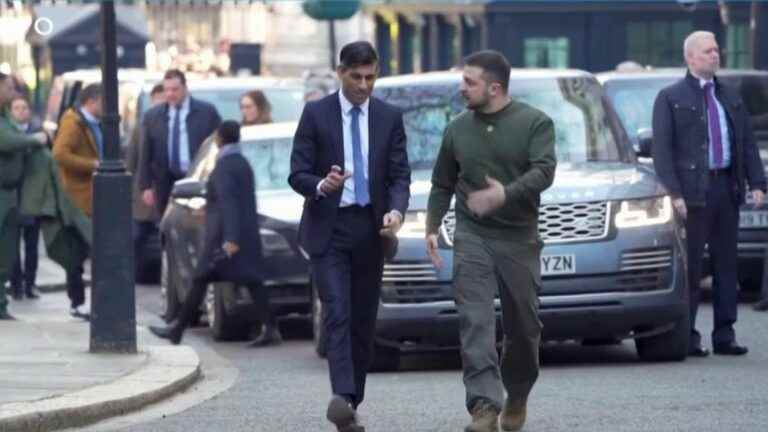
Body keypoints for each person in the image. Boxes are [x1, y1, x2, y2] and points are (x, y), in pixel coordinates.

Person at [426, 50, 555, 432]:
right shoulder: (457, 128)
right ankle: (483, 406)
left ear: (494, 88)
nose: (461, 88)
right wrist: (432, 226)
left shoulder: (535, 123)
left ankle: (517, 393)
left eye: (470, 82)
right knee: (475, 320)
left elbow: (544, 171)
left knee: (524, 327)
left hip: (518, 237)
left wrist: (506, 194)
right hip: (473, 235)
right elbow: (442, 183)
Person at [289, 41, 411, 432]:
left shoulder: (389, 116)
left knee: (362, 319)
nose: (364, 85)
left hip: (371, 229)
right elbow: (297, 172)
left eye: (370, 77)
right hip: (330, 228)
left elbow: (398, 175)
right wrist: (323, 184)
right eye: (356, 77)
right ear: (340, 73)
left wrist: (396, 210)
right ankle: (341, 395)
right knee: (337, 311)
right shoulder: (316, 114)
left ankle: (351, 400)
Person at [652, 31, 766, 356]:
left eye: (716, 50)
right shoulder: (670, 97)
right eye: (707, 51)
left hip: (725, 188)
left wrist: (757, 183)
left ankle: (725, 334)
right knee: (690, 268)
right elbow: (663, 151)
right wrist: (674, 193)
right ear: (690, 58)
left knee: (726, 265)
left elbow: (745, 142)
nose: (715, 55)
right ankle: (687, 335)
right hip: (691, 195)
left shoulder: (729, 95)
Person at [148, 121, 280, 346]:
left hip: (224, 239)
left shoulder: (225, 166)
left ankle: (177, 330)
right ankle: (270, 328)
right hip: (242, 236)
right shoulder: (241, 162)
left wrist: (230, 238)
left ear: (219, 138)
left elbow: (228, 202)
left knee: (204, 279)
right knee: (250, 282)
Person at [52, 83, 104, 320]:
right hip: (79, 197)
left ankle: (84, 301)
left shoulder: (92, 122)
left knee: (86, 250)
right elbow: (60, 154)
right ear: (92, 101)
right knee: (80, 250)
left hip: (93, 195)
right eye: (104, 102)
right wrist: (92, 165)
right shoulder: (73, 122)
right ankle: (78, 301)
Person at [139, 69, 221, 217]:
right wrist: (145, 186)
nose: (170, 94)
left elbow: (218, 145)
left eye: (175, 89)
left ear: (185, 87)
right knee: (166, 226)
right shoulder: (153, 116)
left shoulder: (206, 112)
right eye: (167, 90)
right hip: (165, 181)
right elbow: (145, 152)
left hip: (197, 179)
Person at [0, 71, 48, 320]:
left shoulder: (6, 116)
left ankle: (2, 303)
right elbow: (7, 141)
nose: (12, 92)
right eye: (8, 88)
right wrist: (34, 139)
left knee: (7, 250)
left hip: (10, 193)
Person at [7, 95, 44, 300]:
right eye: (17, 107)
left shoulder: (39, 133)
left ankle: (30, 283)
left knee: (31, 244)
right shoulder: (9, 133)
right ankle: (16, 284)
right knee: (12, 243)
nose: (21, 111)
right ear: (11, 111)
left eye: (24, 107)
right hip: (13, 194)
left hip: (31, 196)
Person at [127, 83, 164, 283]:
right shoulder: (141, 127)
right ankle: (132, 275)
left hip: (165, 193)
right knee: (137, 236)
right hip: (144, 195)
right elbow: (132, 161)